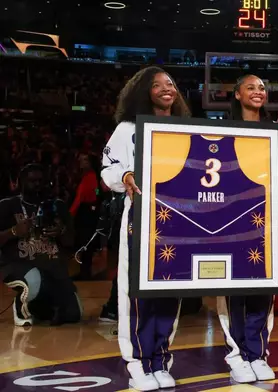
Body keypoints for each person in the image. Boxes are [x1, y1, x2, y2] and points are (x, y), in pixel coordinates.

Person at [101, 66, 191, 391]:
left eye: (170, 83)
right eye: (158, 85)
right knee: (138, 295)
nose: (167, 89)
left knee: (171, 291)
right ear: (145, 91)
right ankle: (138, 362)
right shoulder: (128, 129)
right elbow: (107, 168)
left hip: (181, 220)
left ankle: (161, 359)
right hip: (142, 218)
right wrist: (125, 176)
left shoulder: (187, 128)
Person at [216, 74, 278, 383]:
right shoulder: (222, 131)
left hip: (268, 219)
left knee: (265, 288)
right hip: (231, 219)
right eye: (250, 87)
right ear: (236, 94)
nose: (258, 92)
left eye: (262, 88)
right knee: (233, 289)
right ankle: (237, 354)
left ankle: (258, 352)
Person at [0, 163, 81, 326]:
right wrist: (13, 232)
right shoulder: (7, 205)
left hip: (52, 266)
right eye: (32, 180)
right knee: (34, 280)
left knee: (74, 314)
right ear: (20, 182)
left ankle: (38, 306)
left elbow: (70, 242)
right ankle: (20, 307)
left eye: (41, 181)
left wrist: (61, 231)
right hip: (18, 265)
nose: (37, 184)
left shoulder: (57, 206)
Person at [70, 153, 100, 280]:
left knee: (85, 242)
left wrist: (70, 214)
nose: (81, 162)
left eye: (85, 160)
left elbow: (81, 198)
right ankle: (84, 271)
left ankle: (85, 273)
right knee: (85, 242)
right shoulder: (87, 176)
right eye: (81, 159)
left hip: (86, 213)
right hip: (87, 212)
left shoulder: (90, 177)